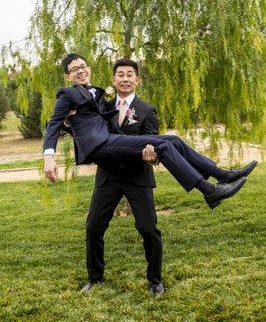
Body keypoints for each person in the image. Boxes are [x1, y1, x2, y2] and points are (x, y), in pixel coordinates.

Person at [44, 54, 257, 216]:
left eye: (82, 67)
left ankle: (223, 175)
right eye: (74, 70)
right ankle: (208, 190)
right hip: (101, 146)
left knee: (172, 140)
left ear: (89, 68)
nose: (80, 71)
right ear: (68, 76)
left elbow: (91, 119)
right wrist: (49, 157)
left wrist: (71, 123)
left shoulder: (97, 94)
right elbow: (53, 123)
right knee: (164, 145)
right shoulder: (67, 93)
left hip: (110, 141)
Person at [81, 58, 163, 295]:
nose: (125, 78)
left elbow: (154, 144)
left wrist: (153, 157)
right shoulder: (102, 108)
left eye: (130, 75)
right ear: (113, 79)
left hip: (138, 176)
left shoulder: (147, 110)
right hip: (108, 177)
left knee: (148, 229)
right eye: (120, 74)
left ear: (137, 80)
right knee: (93, 227)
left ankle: (155, 281)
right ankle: (95, 278)